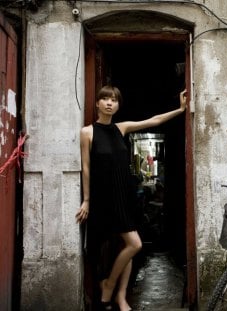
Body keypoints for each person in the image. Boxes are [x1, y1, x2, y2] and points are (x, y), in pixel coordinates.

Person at [76, 86, 187, 311]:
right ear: (97, 103)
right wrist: (86, 200)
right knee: (128, 244)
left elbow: (154, 121)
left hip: (124, 195)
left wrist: (181, 109)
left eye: (114, 100)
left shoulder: (121, 128)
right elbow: (86, 169)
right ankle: (108, 286)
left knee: (130, 244)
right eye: (105, 99)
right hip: (102, 197)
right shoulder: (87, 132)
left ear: (118, 105)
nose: (109, 103)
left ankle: (120, 296)